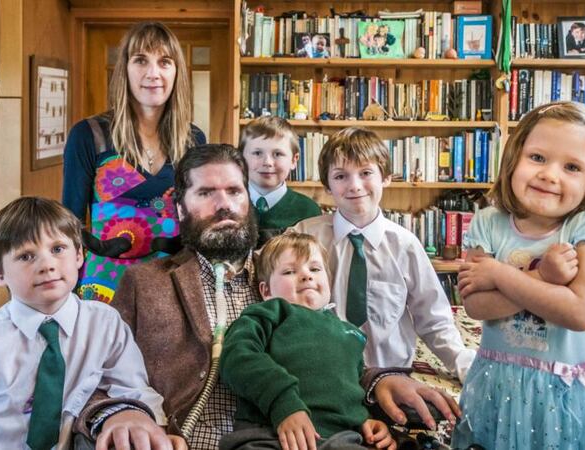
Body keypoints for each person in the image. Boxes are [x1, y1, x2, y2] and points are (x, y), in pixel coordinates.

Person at [73, 144, 460, 450]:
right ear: (180, 206)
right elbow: (94, 374)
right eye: (206, 192)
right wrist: (122, 415)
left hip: (295, 438)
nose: (223, 204)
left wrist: (381, 381)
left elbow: (330, 351)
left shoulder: (289, 274)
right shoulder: (145, 283)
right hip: (182, 438)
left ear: (248, 197)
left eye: (234, 191)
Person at [0, 197, 177, 450]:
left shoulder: (104, 324)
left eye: (57, 249)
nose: (47, 265)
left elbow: (132, 389)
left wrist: (153, 430)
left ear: (79, 256)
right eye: (26, 256)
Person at [450, 101, 585, 449]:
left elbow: (578, 312)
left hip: (568, 392)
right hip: (498, 386)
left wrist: (500, 274)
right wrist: (545, 279)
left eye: (572, 166)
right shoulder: (489, 221)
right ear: (513, 159)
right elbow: (476, 306)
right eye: (537, 158)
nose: (550, 174)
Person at [292, 127, 475, 403]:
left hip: (392, 376)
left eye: (366, 173)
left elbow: (432, 315)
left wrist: (461, 361)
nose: (354, 185)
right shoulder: (305, 236)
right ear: (328, 186)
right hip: (323, 375)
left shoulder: (405, 245)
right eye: (341, 176)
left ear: (386, 177)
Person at [62, 21, 206, 303]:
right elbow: (68, 225)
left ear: (177, 72)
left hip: (173, 285)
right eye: (141, 60)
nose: (153, 73)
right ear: (125, 69)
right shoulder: (89, 135)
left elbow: (199, 220)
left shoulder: (193, 140)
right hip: (105, 287)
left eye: (165, 62)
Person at [219, 232, 396, 450]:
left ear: (328, 282)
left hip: (342, 438)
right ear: (266, 291)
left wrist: (365, 420)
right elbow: (237, 357)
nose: (306, 276)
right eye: (290, 271)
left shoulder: (351, 333)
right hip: (268, 435)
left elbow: (351, 388)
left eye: (314, 269)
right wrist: (283, 402)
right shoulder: (270, 312)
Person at [239, 117, 321, 246]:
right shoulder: (230, 205)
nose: (267, 162)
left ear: (294, 160)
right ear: (241, 158)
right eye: (257, 153)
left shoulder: (309, 211)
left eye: (277, 154)